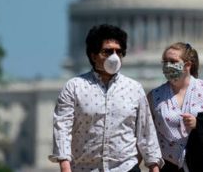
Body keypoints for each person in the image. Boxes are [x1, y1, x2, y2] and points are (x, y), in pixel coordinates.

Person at [49, 24, 163, 172]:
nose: (114, 56)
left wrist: (154, 167)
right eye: (108, 51)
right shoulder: (74, 87)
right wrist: (65, 166)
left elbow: (146, 132)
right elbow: (62, 128)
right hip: (85, 167)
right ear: (93, 55)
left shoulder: (135, 89)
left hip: (125, 167)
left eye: (119, 52)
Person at [148, 42, 203, 172]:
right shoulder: (154, 96)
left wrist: (199, 124)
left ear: (187, 65)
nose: (167, 65)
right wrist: (153, 165)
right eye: (165, 61)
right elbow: (148, 133)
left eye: (173, 61)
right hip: (168, 165)